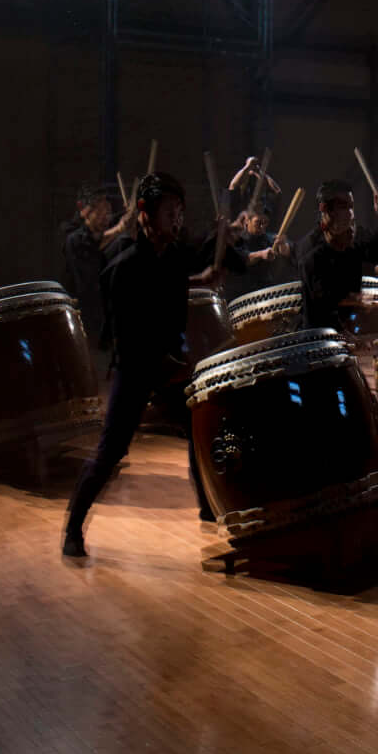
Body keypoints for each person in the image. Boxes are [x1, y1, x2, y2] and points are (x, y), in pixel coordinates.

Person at [62, 172, 225, 558]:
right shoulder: (123, 267)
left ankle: (206, 505)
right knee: (111, 451)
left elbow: (175, 284)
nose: (177, 219)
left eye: (180, 212)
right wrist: (167, 365)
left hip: (167, 365)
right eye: (170, 211)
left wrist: (204, 277)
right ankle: (73, 528)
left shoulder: (170, 257)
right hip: (135, 369)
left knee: (196, 425)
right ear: (144, 213)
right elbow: (127, 339)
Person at [299, 179, 378, 330]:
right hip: (323, 337)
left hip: (357, 326)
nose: (351, 213)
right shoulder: (309, 249)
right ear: (325, 209)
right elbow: (322, 303)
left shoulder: (355, 236)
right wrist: (356, 299)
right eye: (344, 207)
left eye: (351, 207)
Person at [61, 183, 133, 347]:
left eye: (107, 212)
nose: (105, 216)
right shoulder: (73, 240)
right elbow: (91, 244)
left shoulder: (111, 238)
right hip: (84, 324)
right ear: (84, 211)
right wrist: (120, 228)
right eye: (100, 212)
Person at [202, 201, 294, 299]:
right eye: (258, 223)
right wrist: (261, 254)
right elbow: (242, 259)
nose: (262, 227)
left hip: (264, 294)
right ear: (247, 221)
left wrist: (283, 246)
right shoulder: (235, 239)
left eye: (265, 222)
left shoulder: (270, 238)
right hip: (239, 296)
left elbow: (291, 251)